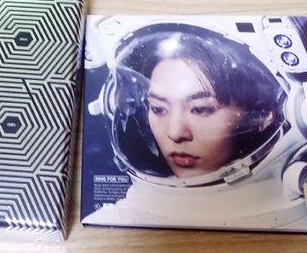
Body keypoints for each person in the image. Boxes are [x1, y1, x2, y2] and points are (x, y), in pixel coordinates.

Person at [111, 25, 285, 180]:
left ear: (263, 113)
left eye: (200, 109)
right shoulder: (129, 205)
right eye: (158, 109)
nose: (175, 133)